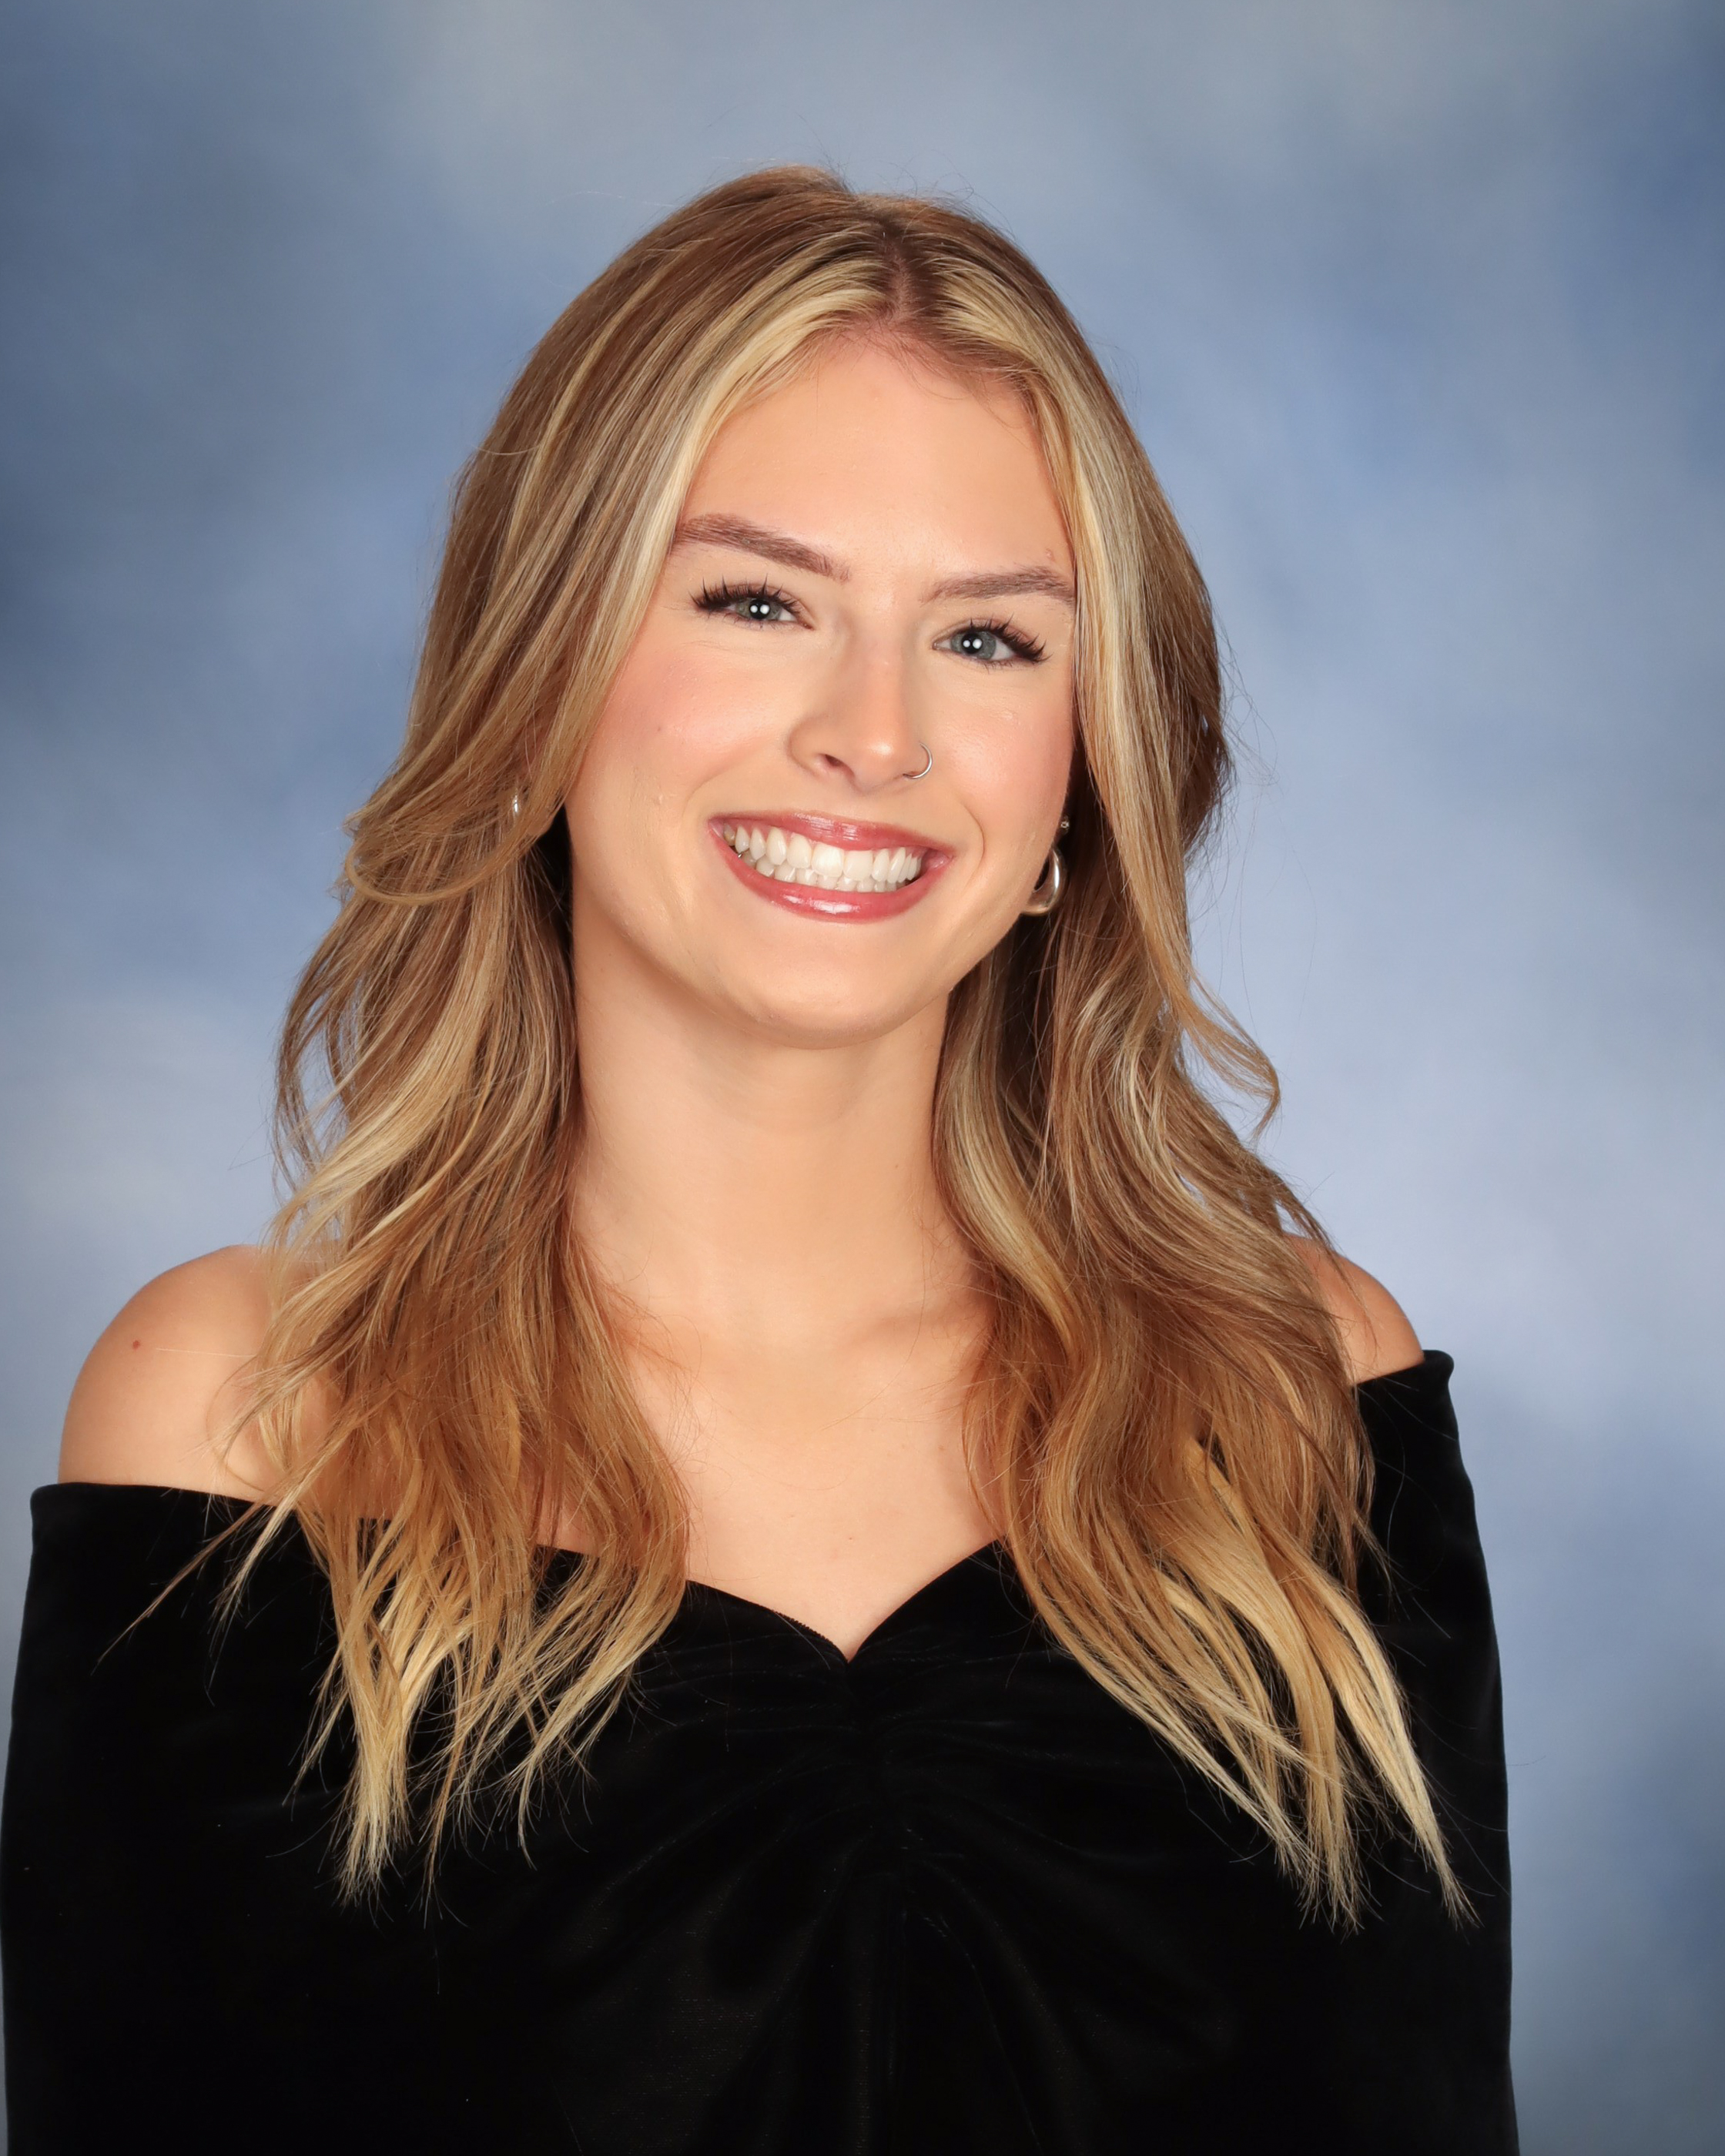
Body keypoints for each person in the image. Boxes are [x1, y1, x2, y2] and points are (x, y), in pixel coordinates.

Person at [0, 167, 1515, 2153]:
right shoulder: (249, 1416)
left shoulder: (1293, 1392)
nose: (873, 734)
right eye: (757, 602)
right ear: (538, 683)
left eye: (990, 640)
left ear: (1081, 780)